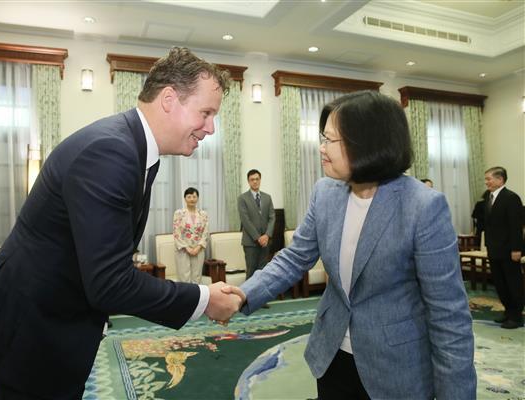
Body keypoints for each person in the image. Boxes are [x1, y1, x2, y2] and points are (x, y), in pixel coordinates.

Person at [0, 47, 243, 399]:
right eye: (206, 113)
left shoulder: (133, 147)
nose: (211, 128)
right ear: (169, 99)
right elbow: (110, 283)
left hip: (51, 321)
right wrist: (204, 299)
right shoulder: (111, 152)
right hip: (31, 328)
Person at [224, 91, 476, 399]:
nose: (321, 148)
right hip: (332, 354)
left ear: (367, 143)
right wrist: (243, 293)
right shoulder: (325, 193)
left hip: (394, 364)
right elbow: (294, 258)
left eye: (330, 139)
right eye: (322, 137)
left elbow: (448, 315)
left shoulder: (423, 207)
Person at [483, 166, 524, 329]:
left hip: (509, 250)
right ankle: (508, 311)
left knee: (512, 284)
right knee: (500, 284)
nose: (486, 182)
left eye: (489, 179)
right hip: (494, 249)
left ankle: (517, 317)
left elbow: (516, 226)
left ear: (500, 180)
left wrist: (517, 249)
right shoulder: (489, 197)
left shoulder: (511, 198)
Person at [237, 169, 275, 280]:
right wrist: (258, 238)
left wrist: (267, 235)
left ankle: (261, 292)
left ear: (260, 180)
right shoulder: (242, 198)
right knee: (251, 272)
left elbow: (272, 217)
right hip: (250, 242)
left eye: (257, 179)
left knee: (263, 272)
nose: (255, 181)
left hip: (265, 242)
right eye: (252, 179)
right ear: (248, 181)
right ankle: (247, 292)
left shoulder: (267, 197)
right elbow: (245, 221)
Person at [173, 187, 209, 283]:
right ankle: (185, 294)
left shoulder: (203, 214)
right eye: (189, 197)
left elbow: (205, 233)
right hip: (183, 250)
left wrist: (198, 247)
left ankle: (196, 293)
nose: (192, 199)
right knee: (184, 277)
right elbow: (176, 233)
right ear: (185, 198)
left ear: (197, 198)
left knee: (197, 277)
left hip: (198, 250)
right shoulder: (179, 213)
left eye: (194, 196)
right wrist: (187, 248)